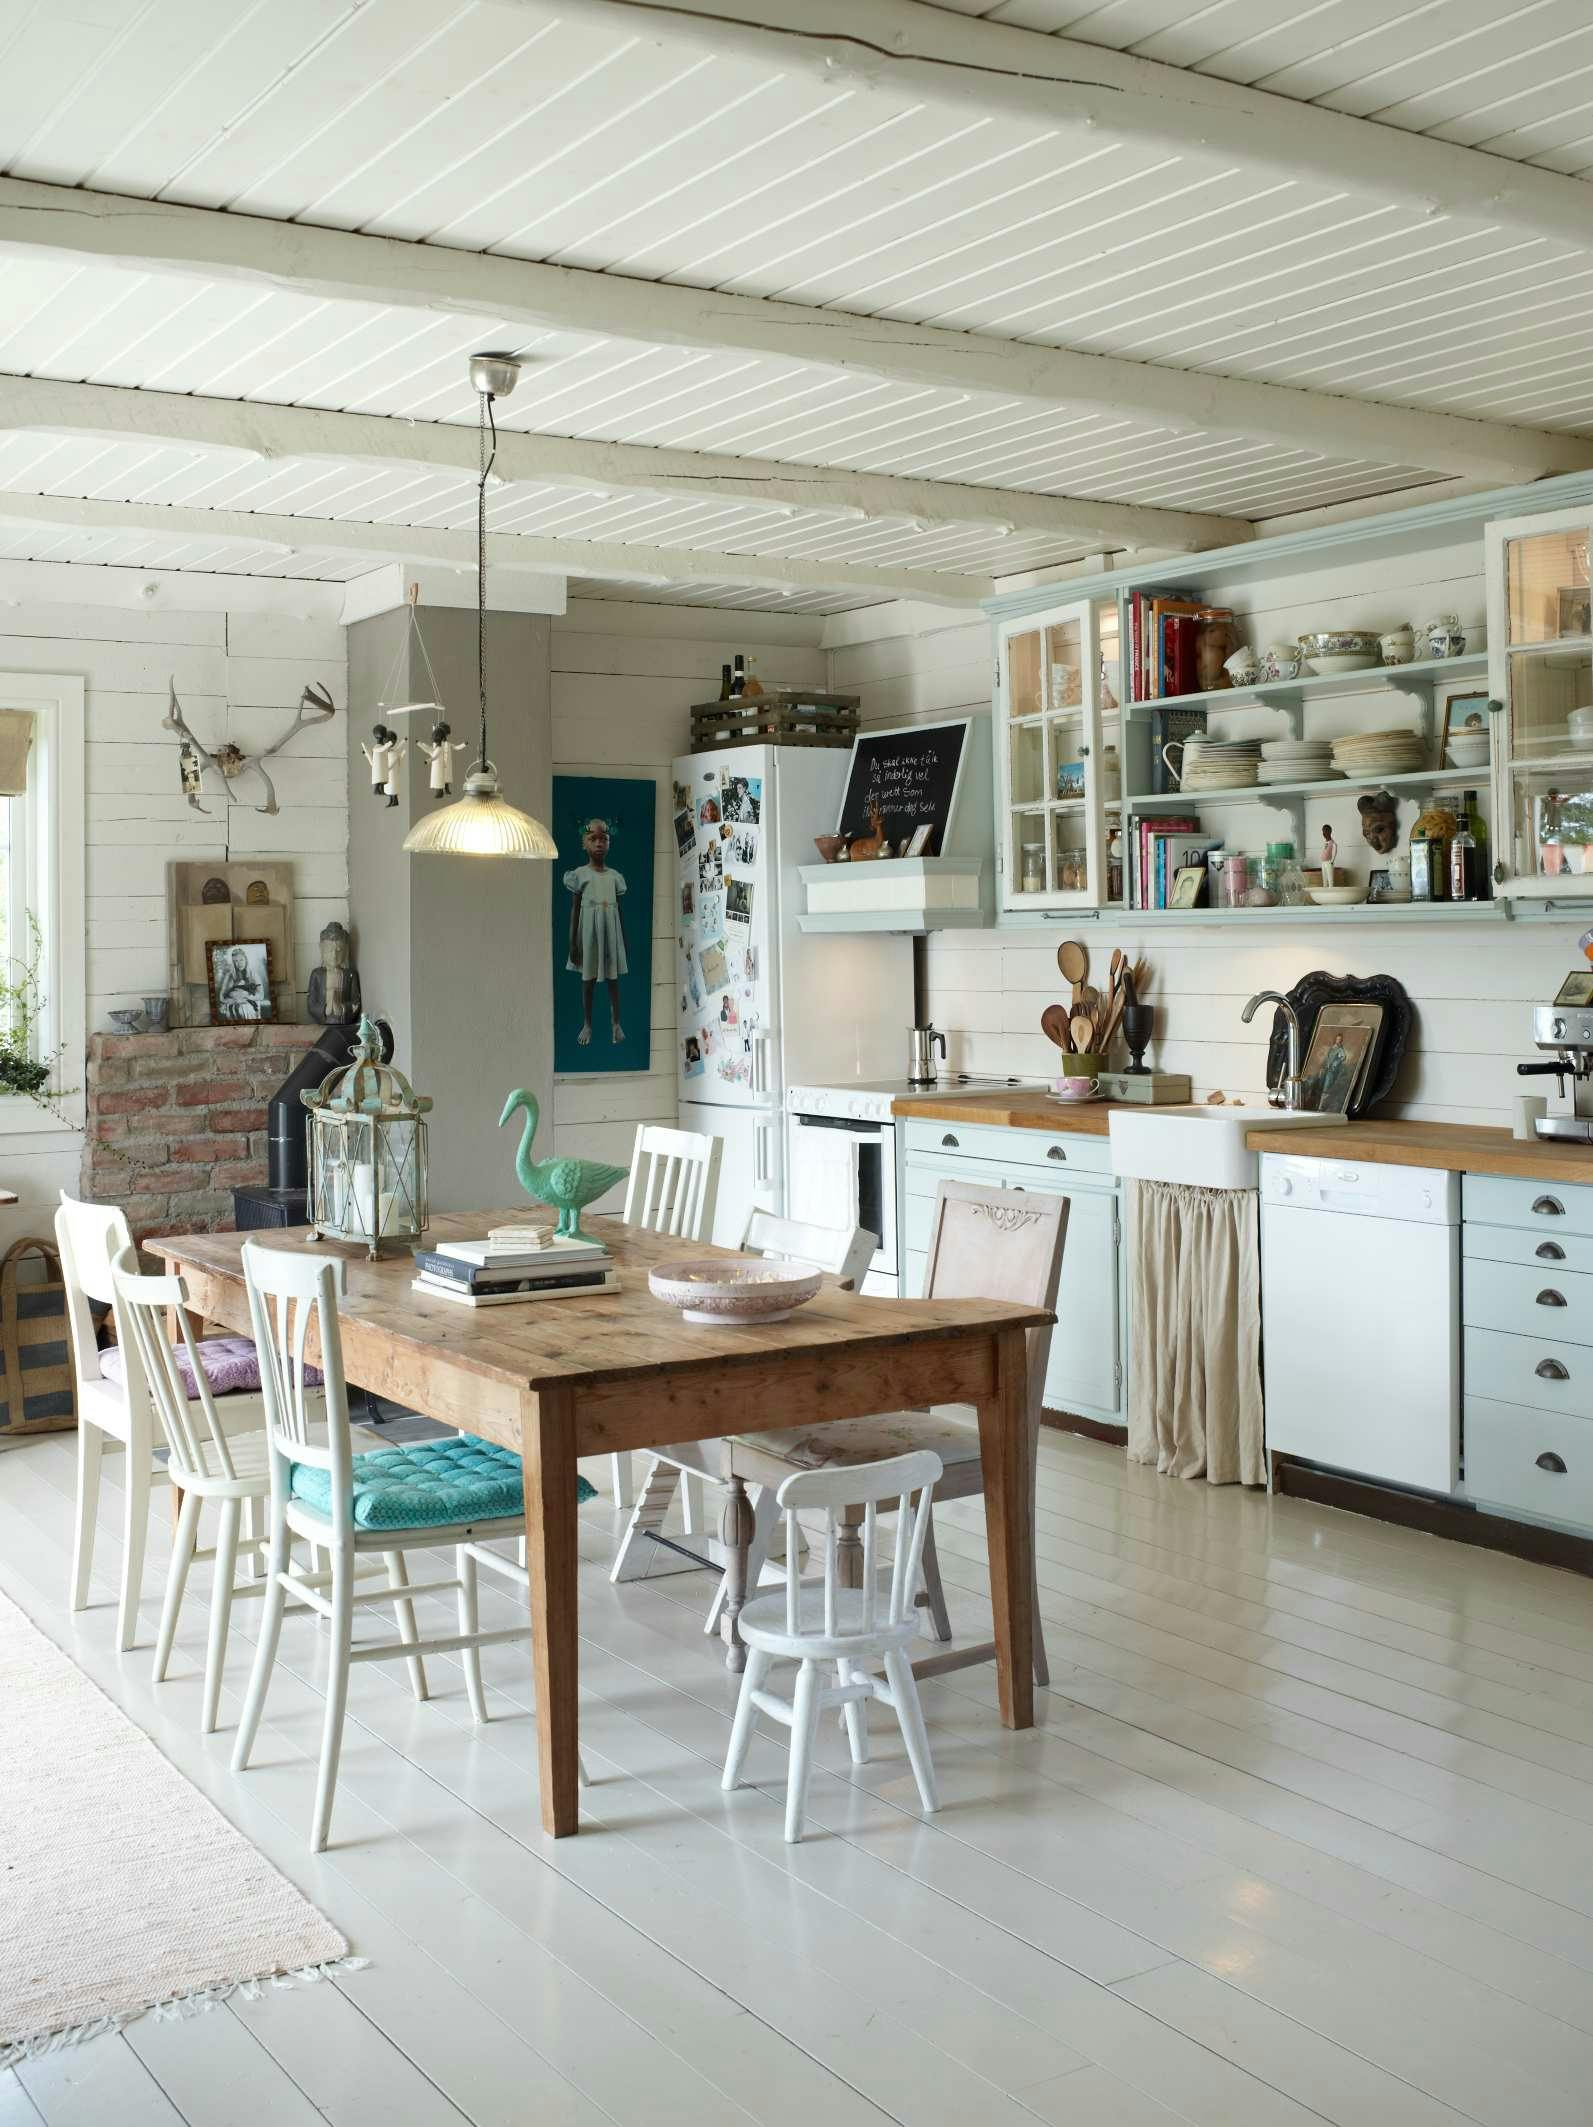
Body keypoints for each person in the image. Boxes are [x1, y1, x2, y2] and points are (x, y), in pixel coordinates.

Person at [564, 817, 627, 1047]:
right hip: (589, 935)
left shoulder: (615, 877)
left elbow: (619, 912)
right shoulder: (579, 874)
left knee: (613, 981)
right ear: (584, 843)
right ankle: (587, 1024)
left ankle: (616, 1023)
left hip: (610, 934)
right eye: (593, 839)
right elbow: (575, 910)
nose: (599, 843)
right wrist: (572, 943)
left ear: (609, 842)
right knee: (588, 981)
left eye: (604, 839)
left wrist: (623, 942)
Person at [307, 919, 361, 1025]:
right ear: (321, 949)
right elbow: (311, 1003)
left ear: (346, 950)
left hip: (343, 1022)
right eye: (329, 950)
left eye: (339, 950)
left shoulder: (350, 975)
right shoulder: (317, 974)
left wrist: (342, 1008)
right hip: (323, 1021)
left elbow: (356, 1002)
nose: (334, 955)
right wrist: (325, 1009)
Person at [416, 719, 466, 797]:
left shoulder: (448, 744)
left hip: (447, 763)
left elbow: (456, 747)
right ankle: (439, 791)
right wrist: (433, 727)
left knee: (446, 777)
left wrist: (464, 744)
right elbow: (434, 738)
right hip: (439, 763)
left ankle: (446, 788)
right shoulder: (437, 744)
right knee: (439, 777)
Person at [215, 945, 265, 1021]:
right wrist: (231, 1000)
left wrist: (246, 996)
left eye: (241, 960)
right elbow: (221, 996)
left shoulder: (253, 974)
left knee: (245, 1009)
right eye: (236, 961)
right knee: (233, 1010)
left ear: (246, 960)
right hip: (233, 1003)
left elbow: (261, 995)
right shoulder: (229, 975)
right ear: (233, 963)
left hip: (249, 1004)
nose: (239, 963)